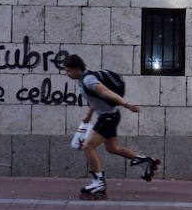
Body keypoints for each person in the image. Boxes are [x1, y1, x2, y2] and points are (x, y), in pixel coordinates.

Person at [64, 54, 160, 199]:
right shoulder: (84, 79)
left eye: (69, 71)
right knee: (112, 148)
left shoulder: (88, 80)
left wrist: (126, 105)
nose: (67, 74)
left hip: (108, 117)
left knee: (88, 147)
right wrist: (89, 115)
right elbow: (96, 98)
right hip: (109, 116)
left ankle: (99, 184)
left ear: (77, 69)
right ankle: (146, 160)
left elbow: (106, 92)